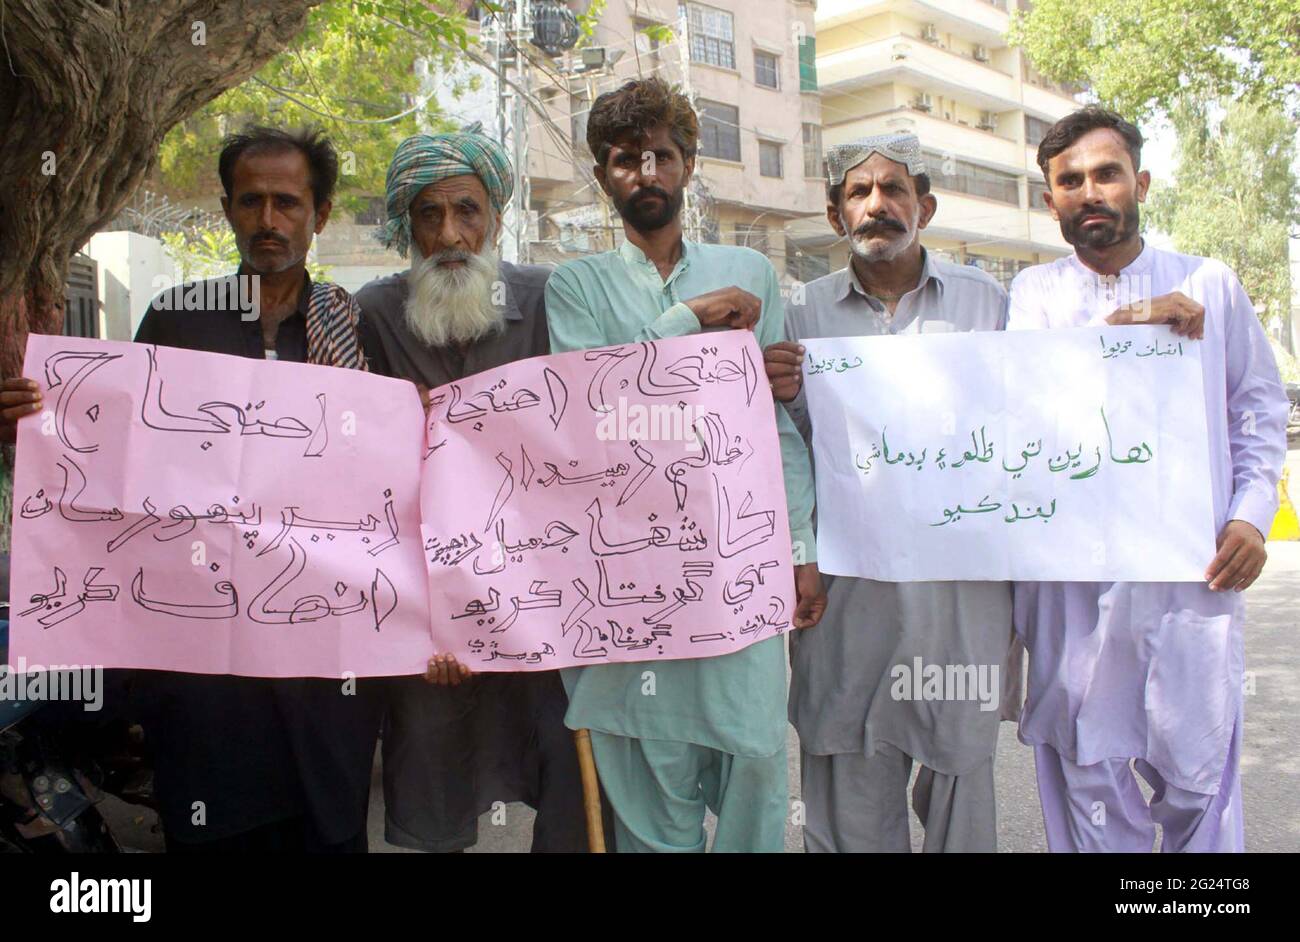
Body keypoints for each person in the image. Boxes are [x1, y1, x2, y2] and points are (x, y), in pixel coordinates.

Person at [3, 126, 383, 852]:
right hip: (205, 650)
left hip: (320, 651)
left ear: (321, 214)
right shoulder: (179, 318)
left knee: (326, 830)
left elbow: (396, 473)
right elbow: (115, 452)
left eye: (287, 202)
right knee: (215, 824)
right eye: (251, 201)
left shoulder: (354, 326)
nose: (269, 220)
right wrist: (33, 422)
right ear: (227, 209)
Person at [543, 76, 827, 853]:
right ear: (603, 176)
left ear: (689, 164)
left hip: (735, 570)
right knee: (648, 810)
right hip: (629, 585)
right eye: (625, 160)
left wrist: (800, 551)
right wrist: (687, 322)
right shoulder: (574, 286)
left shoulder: (751, 274)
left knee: (757, 773)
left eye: (662, 156)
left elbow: (773, 431)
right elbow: (590, 416)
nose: (647, 174)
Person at [1007, 106, 1288, 852]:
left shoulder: (1209, 284)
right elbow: (1022, 408)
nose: (1090, 191)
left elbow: (1257, 410)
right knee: (1087, 781)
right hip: (1072, 590)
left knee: (1199, 783)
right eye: (1070, 181)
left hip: (1189, 576)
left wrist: (1252, 516)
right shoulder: (1032, 296)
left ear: (1142, 182)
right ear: (1050, 200)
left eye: (1106, 173)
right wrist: (1126, 333)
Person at [764, 133, 1015, 852]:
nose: (877, 204)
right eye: (858, 192)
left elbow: (1041, 427)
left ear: (924, 206)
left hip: (957, 606)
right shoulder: (800, 316)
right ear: (836, 214)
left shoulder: (987, 304)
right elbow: (785, 453)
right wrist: (778, 389)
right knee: (847, 799)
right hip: (848, 606)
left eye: (894, 189)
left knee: (961, 800)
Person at [356, 126, 595, 853]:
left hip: (544, 597)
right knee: (433, 771)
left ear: (496, 216)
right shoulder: (371, 313)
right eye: (428, 215)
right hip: (426, 607)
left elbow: (598, 432)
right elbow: (348, 467)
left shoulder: (553, 300)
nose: (450, 233)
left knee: (568, 767)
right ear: (406, 225)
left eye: (467, 211)